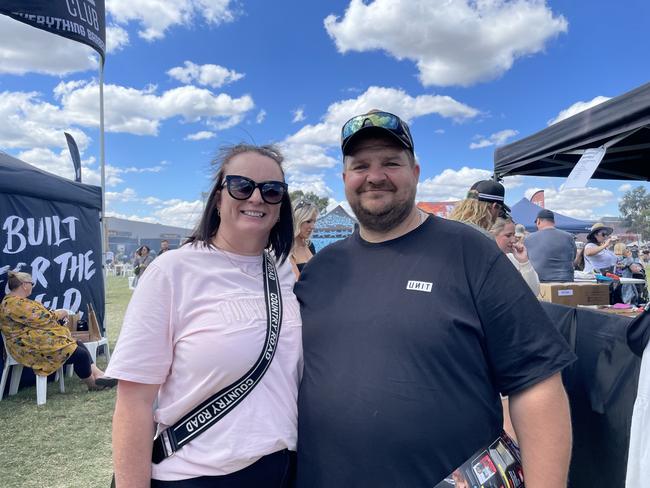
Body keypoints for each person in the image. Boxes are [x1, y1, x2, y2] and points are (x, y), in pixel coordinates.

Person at [295, 109, 575, 487]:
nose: (375, 176)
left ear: (416, 172)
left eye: (391, 162)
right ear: (345, 178)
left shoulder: (469, 252)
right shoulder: (319, 270)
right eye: (361, 165)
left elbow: (537, 383)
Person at [107, 144, 302, 487]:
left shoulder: (283, 270)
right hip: (197, 474)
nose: (257, 198)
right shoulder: (172, 271)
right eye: (242, 186)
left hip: (283, 469)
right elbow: (134, 402)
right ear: (218, 198)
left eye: (272, 191)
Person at [0, 271, 115, 391]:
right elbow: (44, 318)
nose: (32, 286)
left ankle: (99, 375)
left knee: (78, 344)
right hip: (28, 347)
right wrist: (62, 313)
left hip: (35, 341)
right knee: (80, 354)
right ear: (24, 285)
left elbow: (36, 319)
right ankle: (93, 384)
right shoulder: (15, 304)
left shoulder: (16, 302)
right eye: (31, 283)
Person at [490, 217, 540, 296]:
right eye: (508, 235)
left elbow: (534, 292)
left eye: (514, 235)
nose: (513, 240)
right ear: (492, 235)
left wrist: (524, 262)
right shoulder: (483, 261)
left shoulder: (513, 258)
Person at [525, 209, 576, 282]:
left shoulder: (529, 238)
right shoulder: (569, 237)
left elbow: (525, 261)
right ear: (554, 222)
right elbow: (573, 258)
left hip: (542, 285)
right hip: (567, 282)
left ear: (538, 221)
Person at [290, 200, 318, 278]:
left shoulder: (310, 245)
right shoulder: (286, 250)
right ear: (297, 220)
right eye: (308, 221)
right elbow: (296, 283)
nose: (313, 226)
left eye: (314, 222)